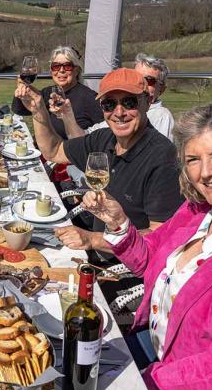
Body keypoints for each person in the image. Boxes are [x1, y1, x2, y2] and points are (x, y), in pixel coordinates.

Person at [78, 102, 212, 390]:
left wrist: (141, 380)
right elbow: (151, 261)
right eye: (193, 159)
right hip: (158, 350)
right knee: (72, 360)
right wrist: (118, 223)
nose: (205, 172)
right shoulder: (199, 210)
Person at [14, 67, 183, 259]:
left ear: (148, 102)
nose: (119, 112)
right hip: (94, 247)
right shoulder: (104, 138)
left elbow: (160, 237)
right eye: (109, 104)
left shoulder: (162, 158)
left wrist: (92, 239)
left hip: (122, 267)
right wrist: (38, 110)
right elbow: (53, 151)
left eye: (129, 102)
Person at [54, 53, 175, 141]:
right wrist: (67, 115)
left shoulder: (161, 116)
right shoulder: (119, 110)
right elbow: (83, 139)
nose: (140, 83)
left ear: (162, 89)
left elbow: (158, 159)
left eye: (149, 80)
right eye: (136, 77)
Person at [11, 45, 103, 140]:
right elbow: (19, 110)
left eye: (67, 66)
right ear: (51, 71)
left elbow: (105, 132)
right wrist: (21, 89)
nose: (61, 70)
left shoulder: (90, 97)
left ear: (76, 71)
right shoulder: (48, 92)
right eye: (56, 66)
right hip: (43, 150)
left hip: (71, 152)